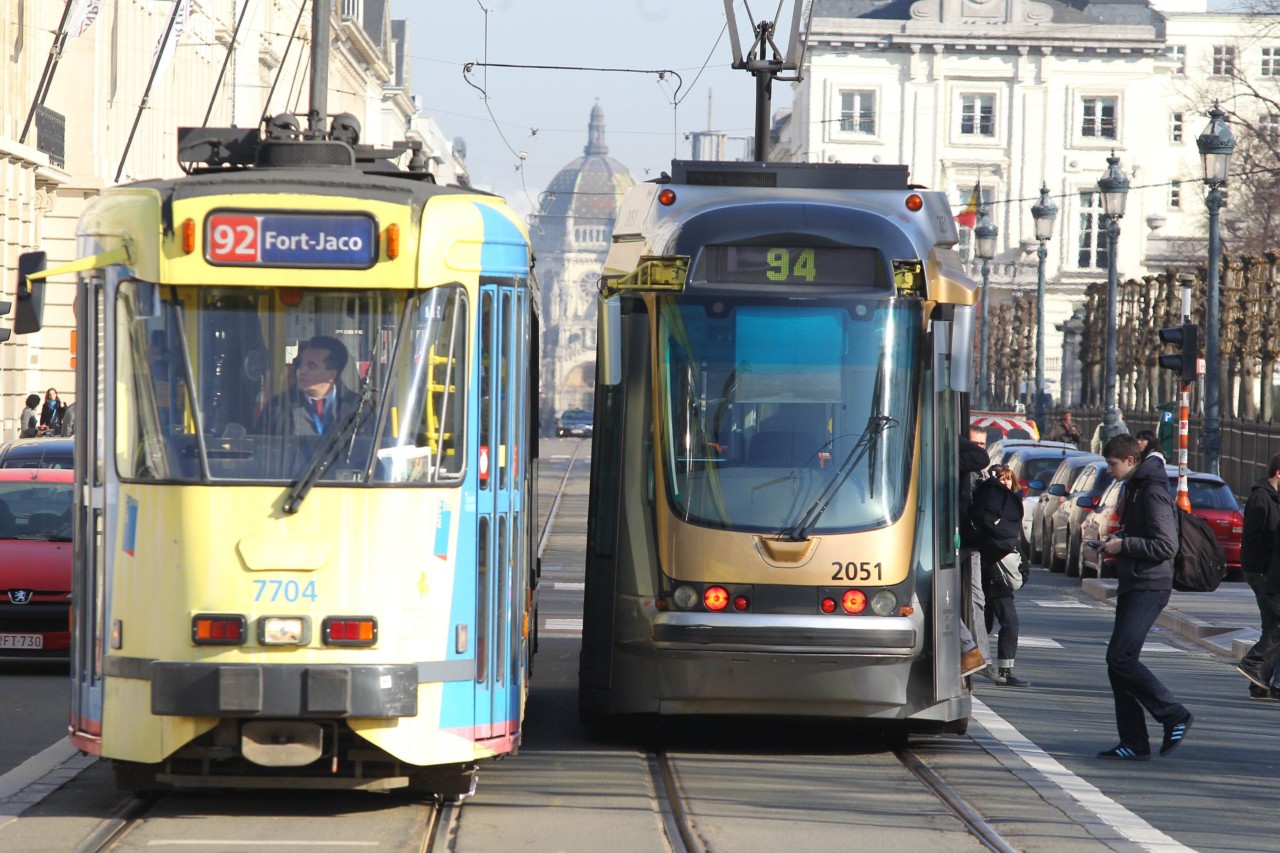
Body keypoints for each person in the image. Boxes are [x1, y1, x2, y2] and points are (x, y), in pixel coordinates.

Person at [1096, 434, 1193, 760]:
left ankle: (1173, 714)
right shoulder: (1136, 486)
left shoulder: (1151, 491)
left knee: (1120, 659)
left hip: (1150, 586)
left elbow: (1166, 545)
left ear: (1130, 460)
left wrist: (1124, 545)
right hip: (1135, 582)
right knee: (1118, 663)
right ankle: (1134, 741)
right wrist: (1114, 542)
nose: (1109, 470)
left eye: (1112, 464)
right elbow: (1142, 534)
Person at [972, 464, 1031, 687]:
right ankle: (1003, 671)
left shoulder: (1008, 503)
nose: (1004, 482)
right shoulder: (993, 503)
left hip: (992, 570)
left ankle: (987, 666)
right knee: (1008, 622)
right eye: (999, 478)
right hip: (994, 573)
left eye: (1007, 478)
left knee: (984, 623)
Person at [1237, 452, 1280, 701]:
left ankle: (1259, 682)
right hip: (1262, 572)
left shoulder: (1273, 497)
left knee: (1272, 625)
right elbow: (1254, 538)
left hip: (1269, 571)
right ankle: (1253, 664)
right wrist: (1265, 568)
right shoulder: (1261, 497)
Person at [257, 335, 360, 438]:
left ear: (331, 375)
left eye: (311, 366)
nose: (301, 370)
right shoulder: (277, 407)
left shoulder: (357, 407)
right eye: (300, 363)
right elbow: (259, 444)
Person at [959, 425, 993, 677]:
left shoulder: (982, 473)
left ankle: (981, 657)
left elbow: (981, 458)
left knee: (976, 597)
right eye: (974, 443)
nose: (978, 449)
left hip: (970, 539)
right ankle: (972, 652)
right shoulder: (963, 466)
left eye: (982, 444)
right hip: (954, 538)